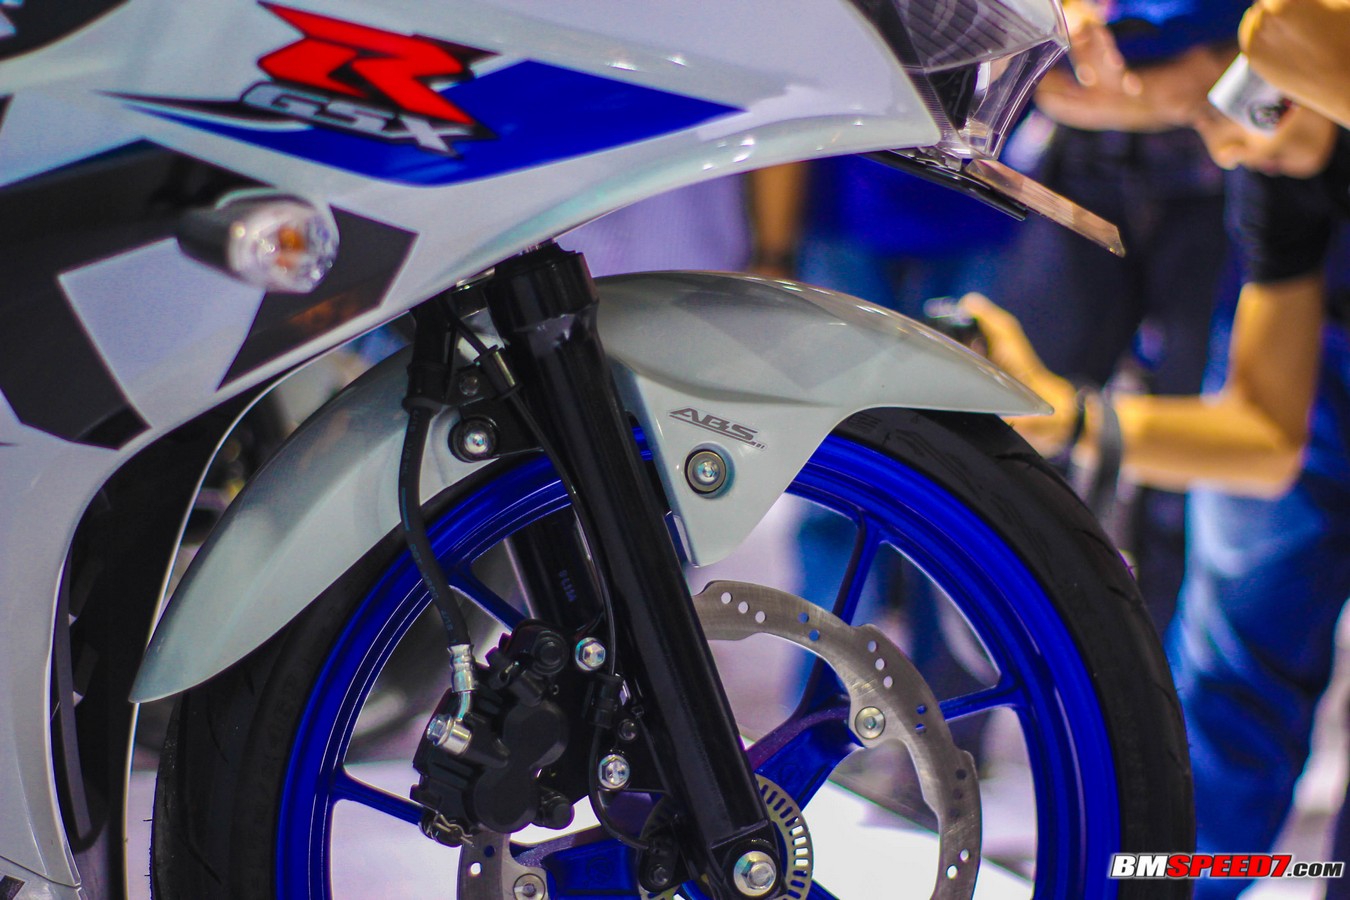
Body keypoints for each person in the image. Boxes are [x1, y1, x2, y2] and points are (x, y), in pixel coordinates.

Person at [967, 100, 1350, 899]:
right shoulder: (1275, 164)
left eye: (1248, 92)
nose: (1221, 144)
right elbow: (1265, 438)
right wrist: (1071, 418)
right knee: (1227, 680)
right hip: (1321, 340)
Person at [992, 0, 1246, 630]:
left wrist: (1234, 66)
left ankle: (1158, 683)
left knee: (1197, 480)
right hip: (1077, 162)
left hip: (1224, 176)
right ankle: (985, 675)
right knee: (1008, 452)